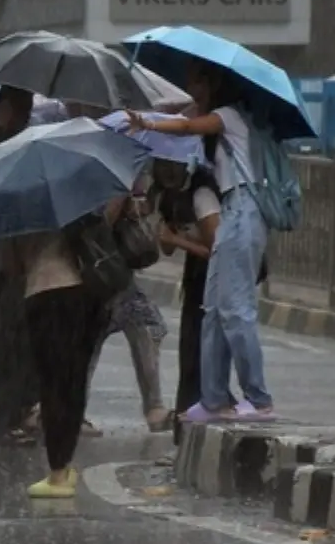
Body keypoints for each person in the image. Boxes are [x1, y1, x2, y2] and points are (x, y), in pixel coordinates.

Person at [128, 58, 276, 421]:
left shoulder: (229, 116)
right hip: (233, 210)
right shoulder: (215, 127)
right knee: (212, 310)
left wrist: (148, 122)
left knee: (236, 310)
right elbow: (187, 123)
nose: (192, 90)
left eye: (197, 82)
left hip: (244, 209)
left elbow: (187, 126)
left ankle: (258, 399)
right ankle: (213, 398)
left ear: (213, 85)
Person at [0, 208, 118, 497]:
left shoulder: (18, 212)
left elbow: (13, 268)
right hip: (83, 293)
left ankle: (58, 471)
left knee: (52, 385)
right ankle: (65, 462)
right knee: (73, 381)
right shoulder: (74, 204)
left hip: (43, 295)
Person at [66, 101, 170, 435]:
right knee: (122, 328)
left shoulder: (103, 161)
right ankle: (150, 408)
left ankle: (75, 410)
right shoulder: (107, 167)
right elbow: (105, 220)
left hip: (108, 270)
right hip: (101, 268)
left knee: (117, 330)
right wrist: (123, 197)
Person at [155, 160, 242, 443]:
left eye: (171, 165)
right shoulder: (170, 196)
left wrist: (179, 241)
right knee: (191, 357)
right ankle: (188, 430)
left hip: (217, 282)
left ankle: (215, 419)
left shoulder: (202, 194)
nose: (166, 170)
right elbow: (167, 247)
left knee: (201, 357)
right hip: (195, 284)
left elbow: (218, 250)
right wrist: (165, 234)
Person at [0, 85, 42, 446]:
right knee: (9, 342)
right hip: (4, 257)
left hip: (18, 256)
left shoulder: (24, 144)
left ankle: (19, 410)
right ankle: (6, 417)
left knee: (23, 342)